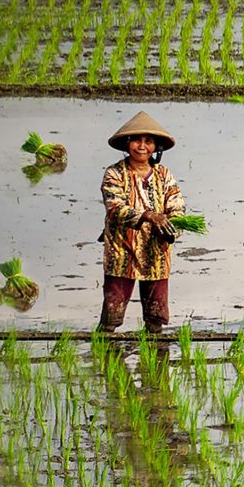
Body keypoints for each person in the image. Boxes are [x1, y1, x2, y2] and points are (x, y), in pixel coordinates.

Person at [97, 111, 185, 334]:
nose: (142, 146)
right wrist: (147, 215)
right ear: (127, 144)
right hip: (122, 250)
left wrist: (172, 229)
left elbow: (177, 209)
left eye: (148, 141)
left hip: (155, 250)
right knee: (112, 314)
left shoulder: (164, 175)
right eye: (137, 140)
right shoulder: (114, 173)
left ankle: (155, 361)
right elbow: (115, 207)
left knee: (156, 318)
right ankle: (106, 356)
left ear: (156, 147)